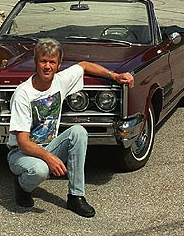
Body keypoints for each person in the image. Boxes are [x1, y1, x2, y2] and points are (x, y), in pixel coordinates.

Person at [7, 38, 134, 217]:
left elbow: (84, 66)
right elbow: (22, 142)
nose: (47, 66)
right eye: (43, 61)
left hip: (48, 146)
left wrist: (114, 76)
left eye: (52, 62)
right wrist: (49, 158)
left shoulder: (60, 81)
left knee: (78, 132)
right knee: (40, 170)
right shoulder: (23, 93)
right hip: (21, 153)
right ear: (35, 63)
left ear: (58, 65)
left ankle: (76, 196)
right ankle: (22, 186)